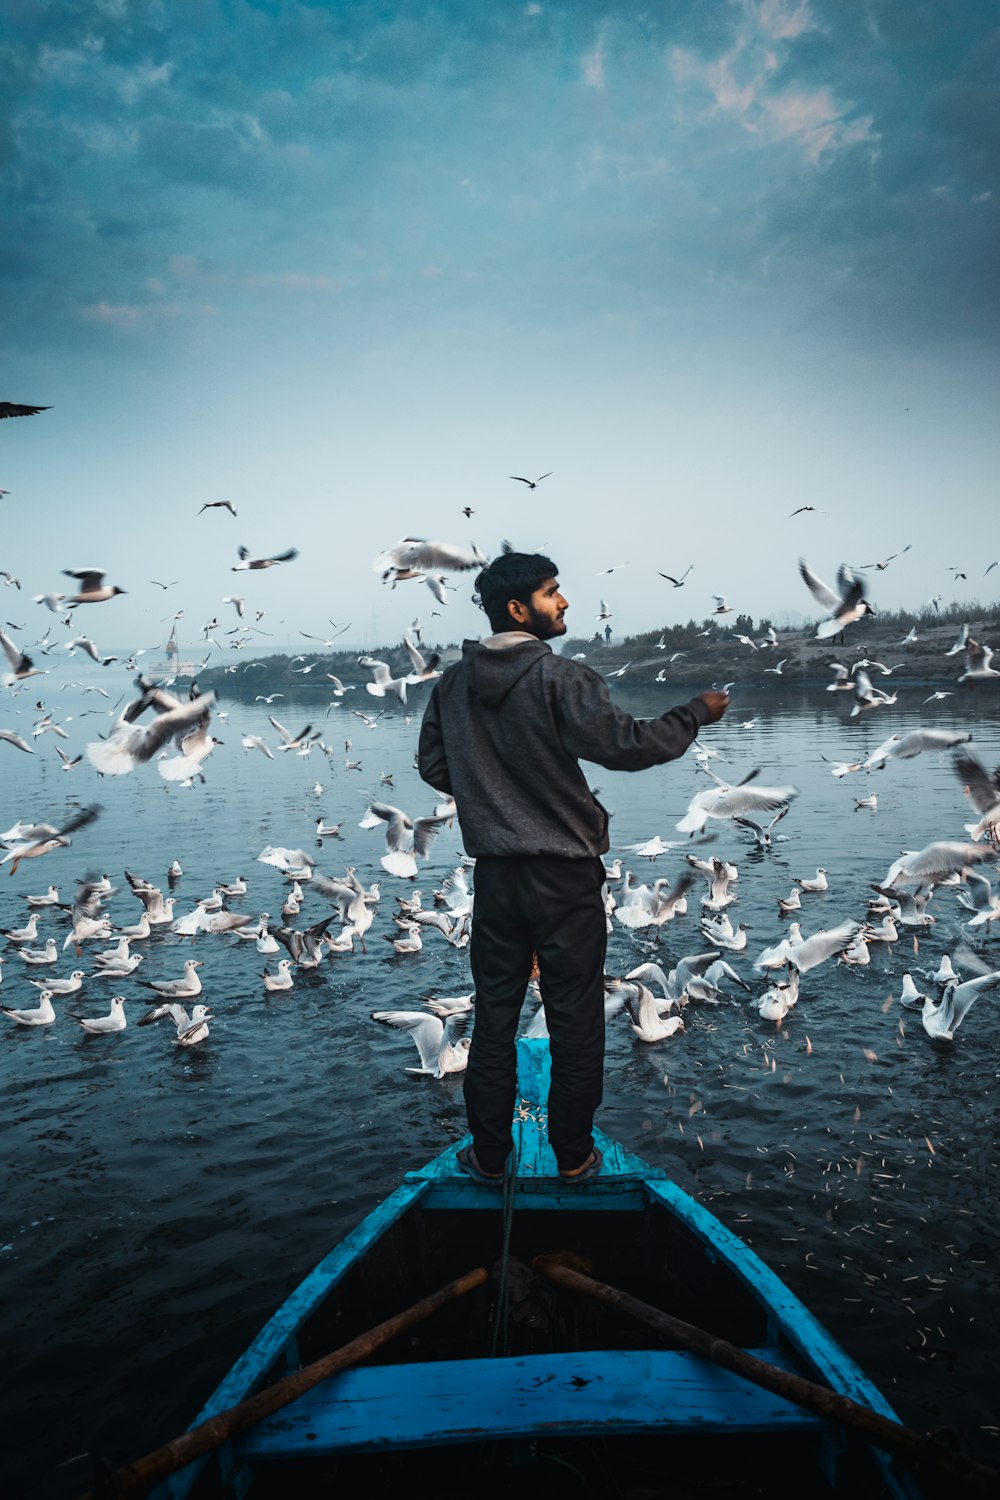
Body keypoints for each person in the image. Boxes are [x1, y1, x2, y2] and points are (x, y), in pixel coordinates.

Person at [417, 551, 728, 1184]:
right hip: (565, 879)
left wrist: (491, 793)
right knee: (576, 1020)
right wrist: (695, 711)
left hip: (497, 880)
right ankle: (573, 1156)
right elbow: (629, 747)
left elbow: (432, 764)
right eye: (553, 593)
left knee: (495, 1017)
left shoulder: (451, 686)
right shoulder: (562, 679)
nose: (564, 603)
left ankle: (489, 1159)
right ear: (518, 608)